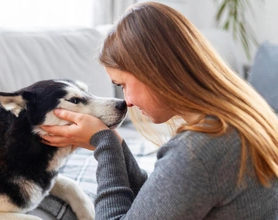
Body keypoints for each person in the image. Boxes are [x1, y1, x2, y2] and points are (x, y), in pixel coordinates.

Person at [41, 2, 278, 219]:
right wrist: (117, 145)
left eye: (123, 85)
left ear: (154, 70)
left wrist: (105, 146)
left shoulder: (201, 148)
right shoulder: (239, 118)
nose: (128, 102)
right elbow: (163, 202)